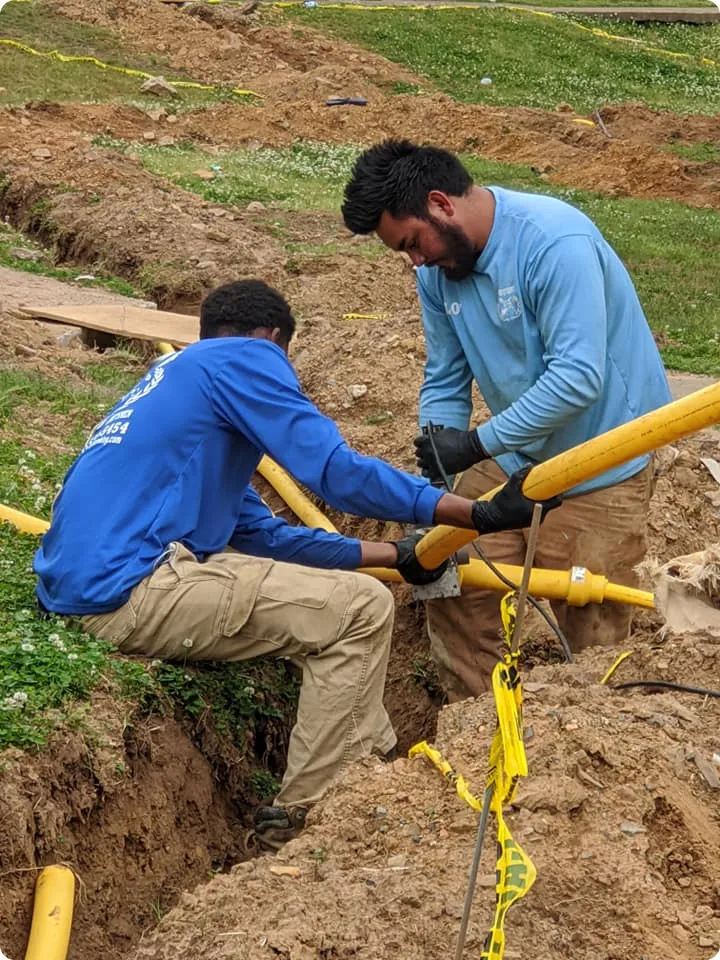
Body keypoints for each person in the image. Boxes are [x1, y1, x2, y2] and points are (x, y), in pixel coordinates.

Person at [34, 278, 556, 849]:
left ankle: (377, 765)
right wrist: (472, 512)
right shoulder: (243, 357)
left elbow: (265, 536)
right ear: (272, 338)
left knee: (356, 602)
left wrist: (396, 556)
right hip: (130, 589)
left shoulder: (181, 395)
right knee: (360, 609)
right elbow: (333, 472)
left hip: (86, 588)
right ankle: (312, 814)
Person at [341, 139, 672, 702]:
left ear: (441, 204)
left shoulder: (552, 243)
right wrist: (439, 478)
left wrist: (475, 443)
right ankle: (476, 733)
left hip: (600, 463)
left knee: (592, 631)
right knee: (457, 587)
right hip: (511, 455)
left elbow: (578, 378)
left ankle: (583, 753)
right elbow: (445, 378)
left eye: (412, 243)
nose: (414, 261)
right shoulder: (437, 273)